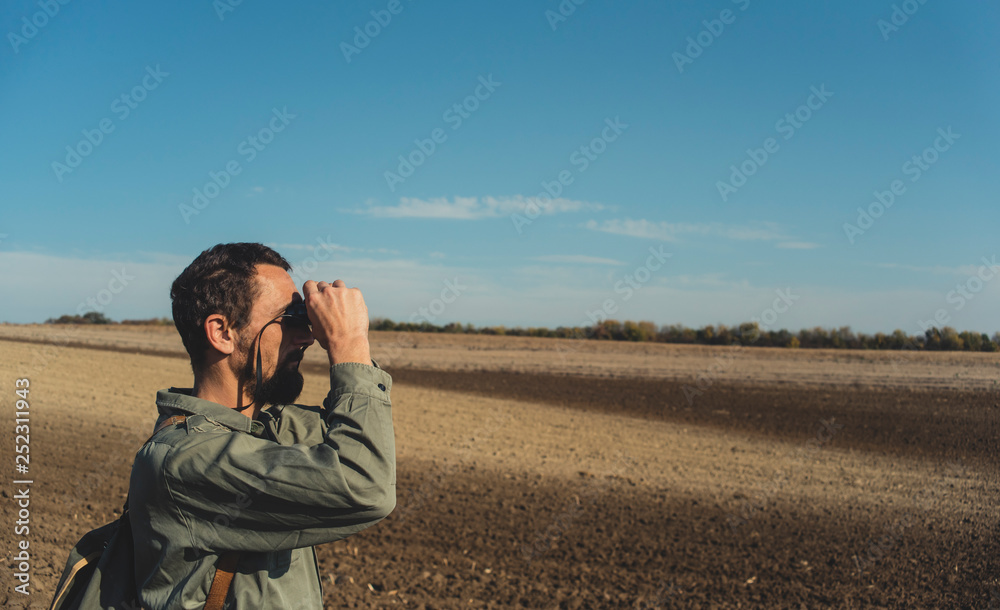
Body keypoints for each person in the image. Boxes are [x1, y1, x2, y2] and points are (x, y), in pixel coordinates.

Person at [128, 242, 395, 609]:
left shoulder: (267, 431)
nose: (307, 336)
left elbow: (360, 430)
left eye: (307, 320)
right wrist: (348, 343)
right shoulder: (183, 460)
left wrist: (348, 343)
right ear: (222, 332)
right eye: (289, 321)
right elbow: (365, 483)